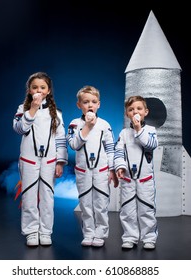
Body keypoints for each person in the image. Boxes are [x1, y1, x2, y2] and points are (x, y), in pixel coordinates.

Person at [13, 72, 68, 247]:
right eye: (35, 87)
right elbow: (19, 129)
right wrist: (33, 110)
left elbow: (61, 138)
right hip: (29, 159)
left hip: (49, 161)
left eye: (42, 87)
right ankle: (31, 231)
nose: (38, 90)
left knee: (47, 197)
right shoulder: (22, 109)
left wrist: (60, 161)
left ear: (48, 91)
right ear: (29, 90)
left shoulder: (56, 114)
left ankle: (45, 231)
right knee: (29, 195)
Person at [66, 85, 118, 247]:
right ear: (79, 105)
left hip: (101, 170)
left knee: (101, 203)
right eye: (86, 102)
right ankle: (88, 232)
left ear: (99, 104)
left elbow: (111, 148)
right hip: (83, 171)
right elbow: (74, 144)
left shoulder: (104, 125)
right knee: (86, 204)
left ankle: (100, 233)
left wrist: (112, 169)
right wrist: (87, 127)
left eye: (93, 102)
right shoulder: (74, 125)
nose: (90, 105)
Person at [114, 95, 159, 250]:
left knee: (146, 209)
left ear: (145, 112)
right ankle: (129, 237)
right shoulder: (124, 133)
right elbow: (118, 152)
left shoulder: (150, 131)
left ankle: (149, 237)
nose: (135, 112)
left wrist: (139, 128)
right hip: (128, 179)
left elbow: (151, 145)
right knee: (127, 210)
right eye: (131, 110)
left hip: (145, 179)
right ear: (127, 114)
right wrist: (119, 167)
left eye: (139, 108)